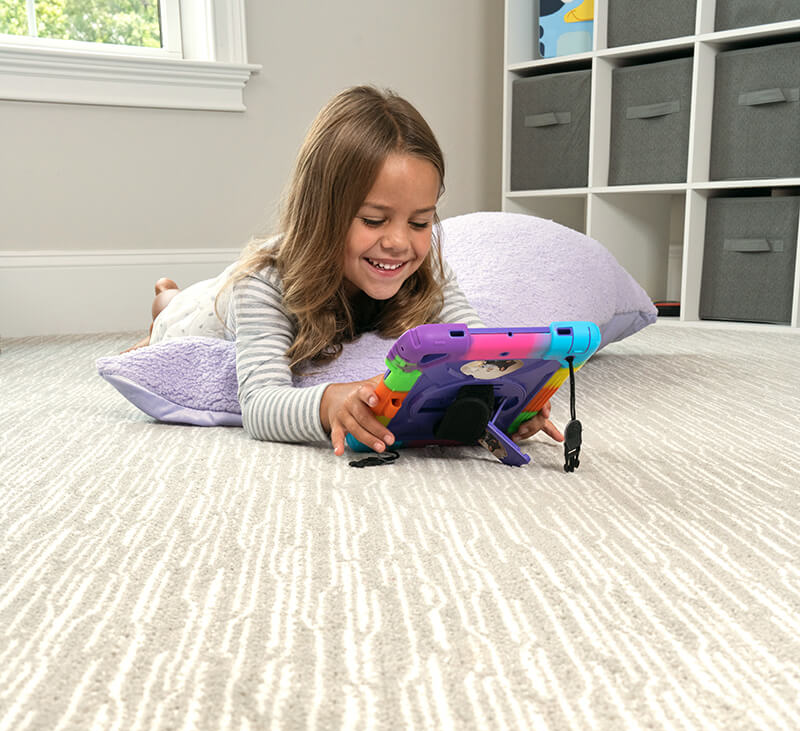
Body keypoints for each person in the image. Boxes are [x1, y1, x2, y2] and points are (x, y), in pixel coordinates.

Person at [129, 86, 563, 455]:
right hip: (209, 307)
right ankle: (164, 296)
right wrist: (327, 402)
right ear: (321, 213)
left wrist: (511, 402)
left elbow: (476, 346)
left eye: (419, 222)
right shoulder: (264, 287)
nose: (398, 242)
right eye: (374, 220)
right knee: (173, 307)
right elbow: (259, 405)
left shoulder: (427, 270)